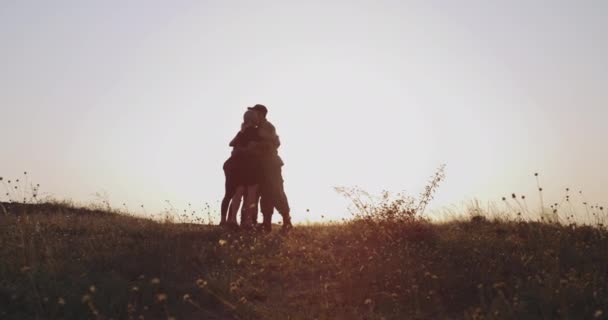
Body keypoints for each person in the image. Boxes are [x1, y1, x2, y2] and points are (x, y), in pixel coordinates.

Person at [247, 104, 293, 232]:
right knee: (265, 194)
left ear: (260, 114)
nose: (252, 115)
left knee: (276, 192)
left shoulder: (267, 127)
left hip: (271, 164)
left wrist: (255, 144)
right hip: (263, 165)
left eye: (254, 112)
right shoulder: (259, 127)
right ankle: (267, 224)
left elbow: (273, 143)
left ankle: (286, 221)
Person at [223, 110, 263, 228]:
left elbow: (231, 143)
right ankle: (248, 221)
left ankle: (233, 219)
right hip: (252, 164)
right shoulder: (256, 132)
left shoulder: (242, 132)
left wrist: (239, 149)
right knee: (251, 192)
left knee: (238, 191)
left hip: (240, 164)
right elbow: (251, 147)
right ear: (253, 118)